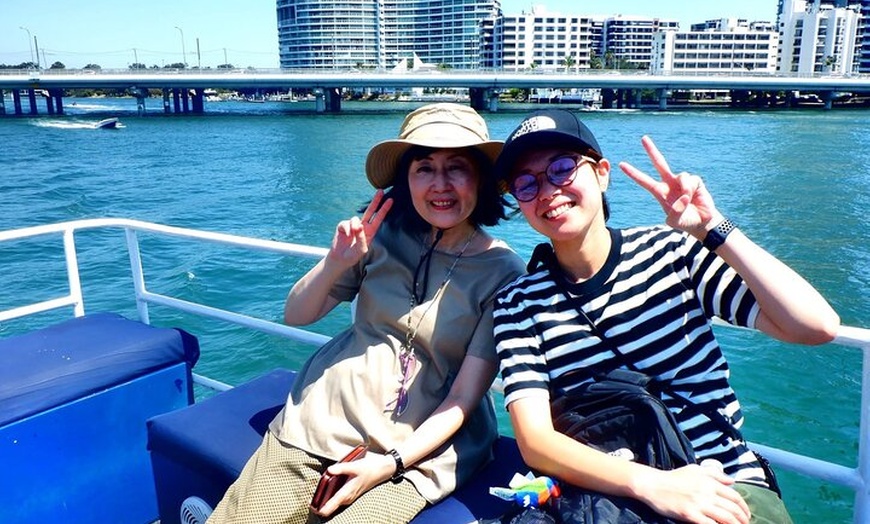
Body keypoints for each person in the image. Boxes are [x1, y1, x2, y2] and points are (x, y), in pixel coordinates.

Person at [491, 109, 840, 524]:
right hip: (607, 496)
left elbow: (816, 326)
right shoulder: (518, 302)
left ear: (602, 174)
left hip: (722, 482)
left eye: (562, 169)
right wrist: (652, 484)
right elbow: (535, 441)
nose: (547, 191)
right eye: (526, 184)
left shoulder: (671, 253)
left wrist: (712, 228)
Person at [207, 103, 525, 524]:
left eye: (456, 167)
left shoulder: (504, 272)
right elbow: (296, 315)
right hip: (326, 414)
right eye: (424, 168)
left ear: (480, 178)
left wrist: (389, 463)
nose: (440, 184)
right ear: (406, 179)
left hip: (424, 445)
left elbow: (463, 397)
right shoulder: (380, 234)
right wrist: (334, 264)